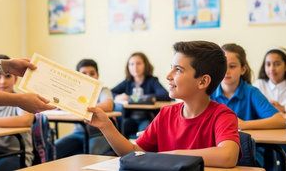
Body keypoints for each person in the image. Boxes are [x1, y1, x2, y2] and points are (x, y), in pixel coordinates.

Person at [87, 41, 241, 168]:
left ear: (203, 81)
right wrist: (106, 125)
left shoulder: (222, 115)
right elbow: (134, 152)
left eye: (178, 70)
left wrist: (174, 155)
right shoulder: (166, 113)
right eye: (171, 68)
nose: (168, 76)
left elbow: (228, 156)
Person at [210, 43, 286, 168]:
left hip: (247, 155)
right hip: (217, 152)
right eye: (223, 66)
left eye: (232, 66)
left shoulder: (251, 92)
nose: (226, 71)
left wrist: (244, 125)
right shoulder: (209, 92)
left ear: (243, 69)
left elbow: (280, 121)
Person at [55, 59, 114, 158]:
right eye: (84, 73)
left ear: (97, 76)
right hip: (78, 133)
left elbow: (108, 105)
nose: (88, 77)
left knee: (91, 154)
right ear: (78, 77)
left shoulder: (103, 90)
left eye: (92, 73)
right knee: (54, 149)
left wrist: (78, 106)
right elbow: (60, 105)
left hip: (99, 134)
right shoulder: (73, 92)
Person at [111, 52, 172, 138]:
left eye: (138, 63)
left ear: (145, 65)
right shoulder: (128, 82)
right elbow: (110, 93)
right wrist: (117, 96)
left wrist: (131, 98)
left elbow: (165, 95)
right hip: (130, 118)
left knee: (144, 135)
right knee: (118, 131)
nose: (135, 67)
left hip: (147, 118)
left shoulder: (152, 81)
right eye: (131, 64)